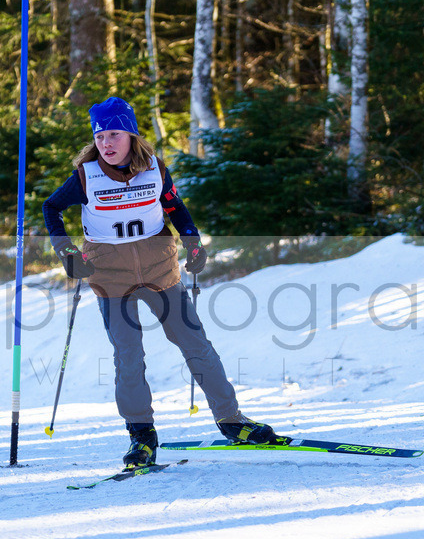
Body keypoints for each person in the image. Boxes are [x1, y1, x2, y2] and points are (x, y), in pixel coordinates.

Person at [42, 96, 279, 467]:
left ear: (132, 135)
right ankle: (142, 436)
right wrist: (66, 253)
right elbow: (51, 207)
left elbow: (175, 207)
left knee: (194, 342)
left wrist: (193, 240)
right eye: (100, 136)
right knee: (129, 355)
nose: (106, 144)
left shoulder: (155, 168)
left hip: (159, 268)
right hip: (109, 274)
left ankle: (233, 422)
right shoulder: (87, 175)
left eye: (114, 134)